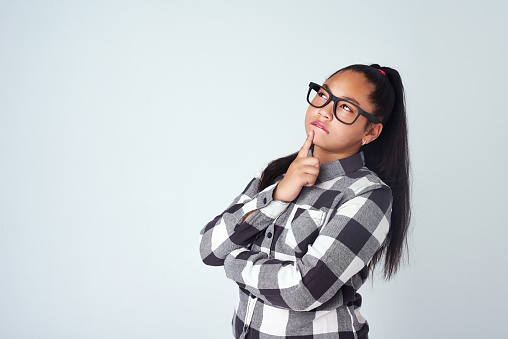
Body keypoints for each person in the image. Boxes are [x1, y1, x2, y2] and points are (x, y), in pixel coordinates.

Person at [199, 64, 411, 339]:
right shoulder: (274, 174)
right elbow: (209, 249)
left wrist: (235, 260)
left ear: (370, 132)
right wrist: (277, 197)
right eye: (324, 95)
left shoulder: (368, 194)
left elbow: (304, 291)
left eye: (346, 107)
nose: (325, 110)